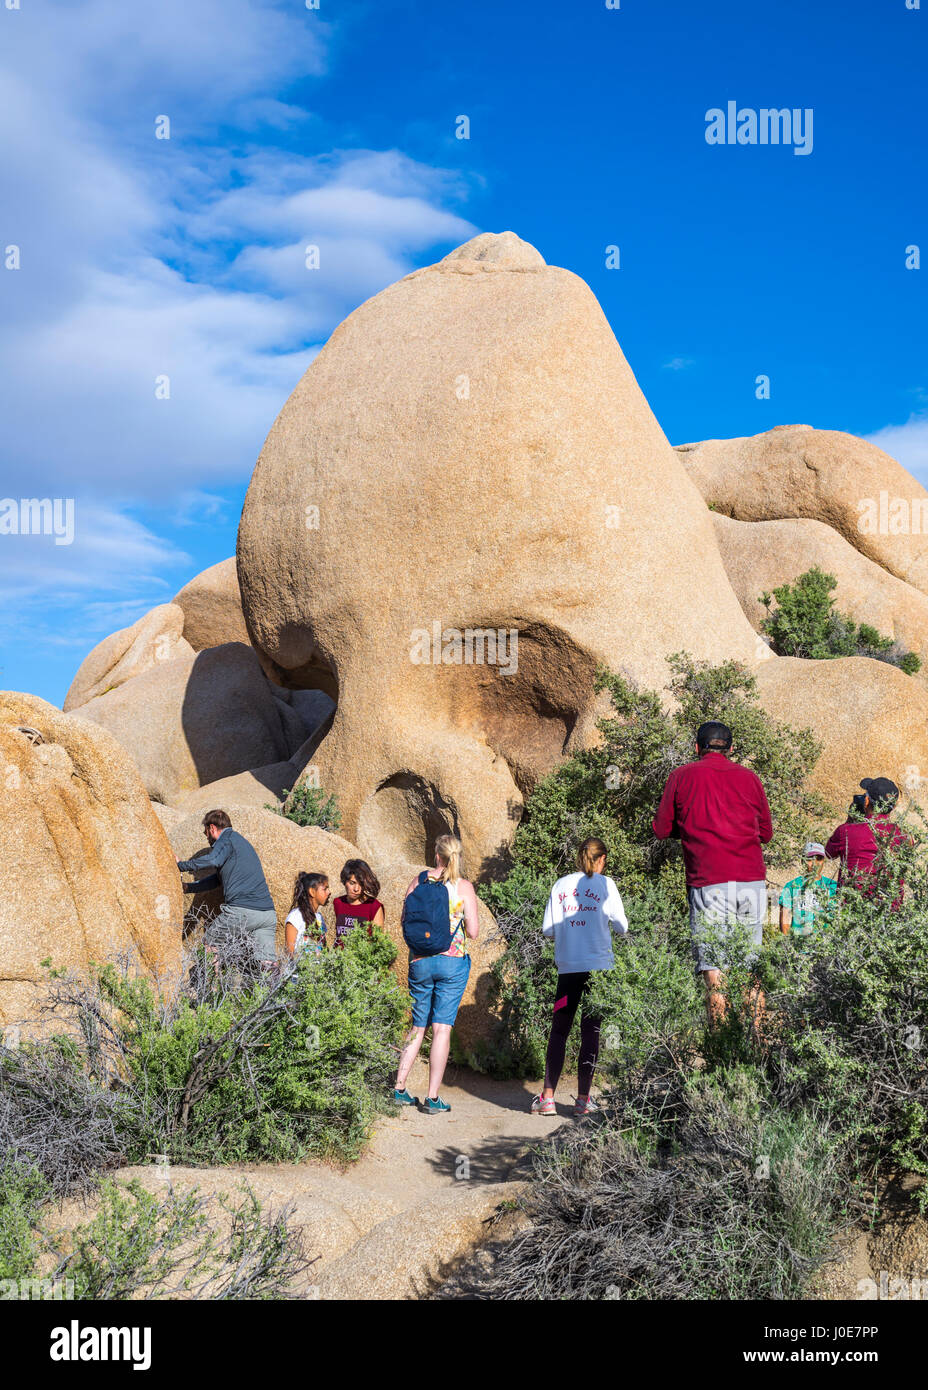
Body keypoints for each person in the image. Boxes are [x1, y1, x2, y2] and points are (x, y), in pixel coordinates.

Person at [652, 721, 773, 1027]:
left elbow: (661, 829)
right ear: (731, 749)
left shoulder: (681, 776)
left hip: (709, 883)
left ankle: (720, 1054)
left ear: (697, 747)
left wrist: (690, 828)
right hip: (750, 882)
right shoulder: (749, 778)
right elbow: (767, 833)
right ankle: (754, 1049)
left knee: (714, 972)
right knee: (749, 970)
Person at [532, 837, 628, 1119]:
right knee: (591, 1032)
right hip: (598, 969)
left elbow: (548, 929)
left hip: (568, 969)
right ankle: (583, 1100)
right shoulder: (606, 885)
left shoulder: (561, 885)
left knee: (560, 1029)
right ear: (601, 859)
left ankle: (548, 1098)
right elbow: (623, 926)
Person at [392, 834, 479, 1114]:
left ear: (436, 855)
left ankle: (399, 1088)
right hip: (452, 962)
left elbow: (404, 920)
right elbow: (474, 932)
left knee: (417, 1026)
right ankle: (431, 1098)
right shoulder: (464, 887)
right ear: (457, 856)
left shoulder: (419, 881)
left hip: (420, 961)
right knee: (441, 1028)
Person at [176, 810, 278, 966]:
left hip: (242, 911)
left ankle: (212, 988)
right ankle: (277, 989)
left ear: (212, 828)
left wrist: (179, 866)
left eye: (206, 833)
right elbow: (216, 881)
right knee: (267, 965)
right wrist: (189, 887)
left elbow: (212, 859)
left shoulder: (227, 839)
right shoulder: (239, 842)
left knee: (210, 943)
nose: (207, 839)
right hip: (267, 915)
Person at [824, 777, 909, 909]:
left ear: (867, 801)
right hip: (889, 913)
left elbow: (828, 853)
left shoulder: (846, 831)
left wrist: (850, 820)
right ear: (894, 806)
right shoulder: (902, 836)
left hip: (852, 912)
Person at [778, 842, 837, 943]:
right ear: (802, 861)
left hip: (828, 946)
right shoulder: (792, 886)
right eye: (810, 859)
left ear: (824, 861)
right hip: (799, 947)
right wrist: (789, 947)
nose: (814, 863)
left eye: (819, 859)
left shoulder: (833, 886)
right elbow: (785, 920)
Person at [332, 859, 385, 948]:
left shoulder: (374, 906)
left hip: (362, 960)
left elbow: (378, 942)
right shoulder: (338, 903)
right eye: (352, 883)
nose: (356, 889)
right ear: (345, 881)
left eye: (361, 884)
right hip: (338, 959)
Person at [285, 872, 331, 958]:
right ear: (312, 892)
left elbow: (322, 948)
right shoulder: (295, 917)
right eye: (325, 889)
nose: (329, 892)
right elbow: (289, 953)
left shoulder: (319, 917)